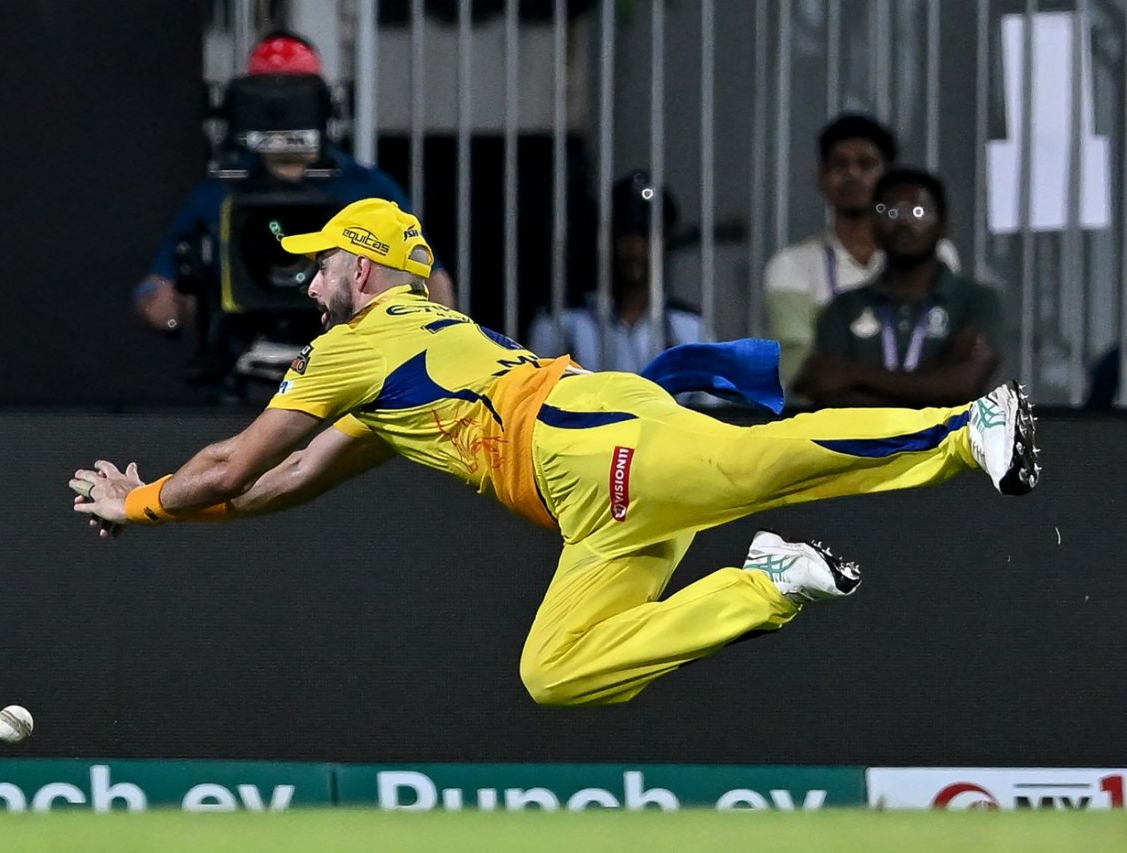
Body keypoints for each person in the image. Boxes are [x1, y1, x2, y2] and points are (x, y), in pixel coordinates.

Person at [72, 198, 1040, 708]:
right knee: (557, 674)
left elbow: (231, 464)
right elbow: (279, 482)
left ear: (360, 271)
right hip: (596, 510)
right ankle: (767, 583)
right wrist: (167, 509)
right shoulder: (395, 370)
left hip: (593, 446)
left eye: (322, 258)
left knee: (768, 460)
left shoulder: (355, 342)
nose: (311, 272)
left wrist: (147, 501)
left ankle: (965, 427)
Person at [135, 32, 454, 336]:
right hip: (242, 347)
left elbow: (429, 273)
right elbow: (163, 284)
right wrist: (165, 302)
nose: (280, 112)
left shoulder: (366, 187)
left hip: (350, 348)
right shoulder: (218, 194)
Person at [763, 114, 961, 390]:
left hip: (925, 422)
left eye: (866, 164)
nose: (853, 174)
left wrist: (852, 375)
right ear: (821, 178)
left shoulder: (937, 253)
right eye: (839, 164)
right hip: (829, 422)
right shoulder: (790, 266)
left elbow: (947, 354)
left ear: (890, 177)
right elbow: (799, 369)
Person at [795, 168, 1003, 408]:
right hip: (862, 444)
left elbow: (964, 386)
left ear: (943, 226)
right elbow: (827, 390)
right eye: (889, 211)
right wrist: (935, 382)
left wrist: (855, 375)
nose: (903, 221)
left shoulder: (977, 300)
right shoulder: (844, 307)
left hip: (949, 445)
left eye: (918, 211)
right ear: (872, 224)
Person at [528, 171, 710, 373]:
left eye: (645, 237)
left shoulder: (689, 327)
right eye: (625, 236)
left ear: (665, 244)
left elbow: (707, 403)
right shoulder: (563, 321)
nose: (635, 249)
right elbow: (536, 395)